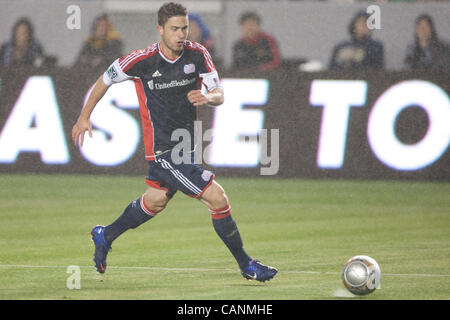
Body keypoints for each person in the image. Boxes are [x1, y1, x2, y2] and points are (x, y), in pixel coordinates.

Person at [71, 2, 277, 283]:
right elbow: (105, 79)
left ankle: (105, 235)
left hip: (185, 147)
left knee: (154, 202)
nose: (181, 34)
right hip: (163, 151)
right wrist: (84, 116)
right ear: (160, 30)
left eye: (184, 28)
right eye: (174, 29)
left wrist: (208, 97)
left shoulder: (198, 53)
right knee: (217, 198)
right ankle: (246, 265)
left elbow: (219, 93)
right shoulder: (141, 60)